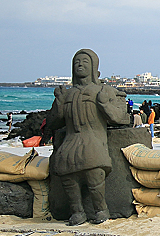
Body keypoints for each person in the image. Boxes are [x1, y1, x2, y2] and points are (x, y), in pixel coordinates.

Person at [48, 49, 129, 225]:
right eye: (77, 62)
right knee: (68, 177)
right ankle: (77, 211)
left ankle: (101, 209)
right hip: (70, 142)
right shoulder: (68, 94)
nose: (80, 65)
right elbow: (53, 123)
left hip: (93, 141)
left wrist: (104, 103)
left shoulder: (102, 90)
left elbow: (118, 117)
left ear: (94, 68)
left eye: (85, 62)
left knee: (95, 175)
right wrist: (59, 104)